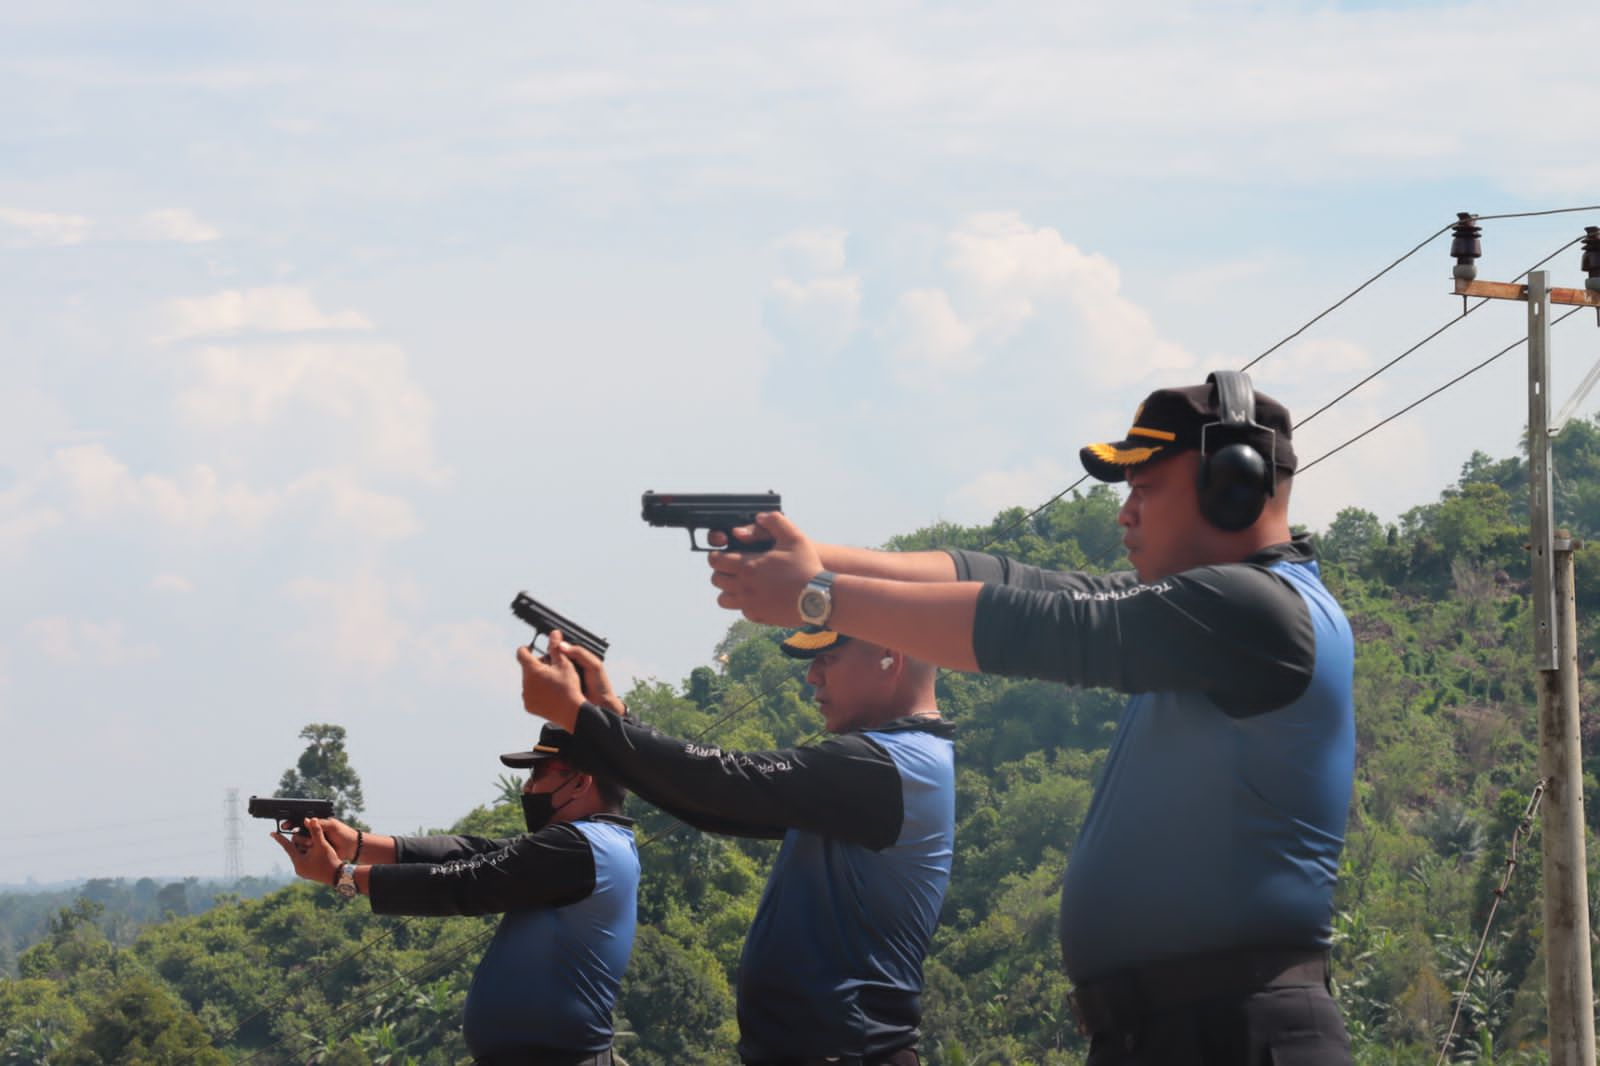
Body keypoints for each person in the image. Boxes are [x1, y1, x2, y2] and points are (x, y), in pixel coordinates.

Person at [702, 372, 1356, 1065]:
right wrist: (804, 560)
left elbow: (1041, 623)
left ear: (1232, 482)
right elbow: (1011, 582)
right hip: (1183, 1031)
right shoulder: (1215, 611)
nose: (1125, 513)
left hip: (1232, 1033)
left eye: (1144, 486)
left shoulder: (1259, 610)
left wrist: (817, 597)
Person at [518, 625, 955, 1066]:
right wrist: (613, 720)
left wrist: (583, 719)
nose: (812, 676)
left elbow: (723, 782)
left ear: (889, 655)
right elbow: (713, 805)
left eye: (829, 658)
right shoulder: (896, 762)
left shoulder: (884, 767)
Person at [270, 727, 638, 1066]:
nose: (527, 788)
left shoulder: (579, 848)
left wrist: (343, 876)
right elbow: (473, 853)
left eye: (538, 774)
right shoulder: (591, 845)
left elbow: (466, 881)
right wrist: (358, 844)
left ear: (580, 782)